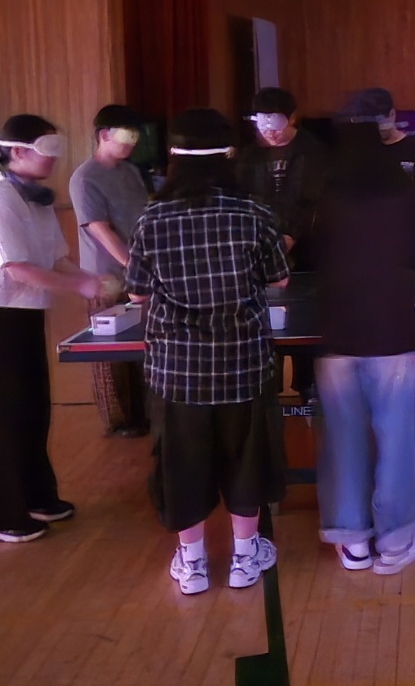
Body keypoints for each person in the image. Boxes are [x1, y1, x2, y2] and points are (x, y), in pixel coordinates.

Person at [125, 109, 290, 596]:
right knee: (245, 458)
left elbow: (136, 291)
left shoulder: (152, 217)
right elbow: (279, 278)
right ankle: (245, 556)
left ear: (173, 157)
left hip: (177, 368)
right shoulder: (252, 212)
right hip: (243, 362)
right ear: (228, 156)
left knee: (182, 462)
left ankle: (193, 562)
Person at [0, 114, 109, 543]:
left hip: (23, 311)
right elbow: (17, 268)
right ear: (18, 152)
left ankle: (36, 497)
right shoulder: (0, 202)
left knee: (32, 408)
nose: (54, 158)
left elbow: (57, 260)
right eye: (47, 149)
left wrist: (93, 281)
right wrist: (81, 286)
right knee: (1, 415)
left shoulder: (37, 201)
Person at [312, 110, 415, 575]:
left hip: (337, 334)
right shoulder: (400, 192)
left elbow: (312, 257)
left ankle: (353, 541)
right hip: (394, 331)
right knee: (397, 441)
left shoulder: (326, 194)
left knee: (343, 441)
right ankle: (396, 540)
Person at [349, 87, 415, 408]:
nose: (378, 125)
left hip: (410, 249)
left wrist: (405, 227)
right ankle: (377, 387)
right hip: (368, 253)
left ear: (393, 115)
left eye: (382, 117)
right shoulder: (360, 154)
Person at [238, 86, 327, 400]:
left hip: (307, 248)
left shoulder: (313, 152)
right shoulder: (249, 156)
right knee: (265, 317)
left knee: (306, 315)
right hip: (259, 249)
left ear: (291, 118)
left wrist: (289, 237)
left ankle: (308, 385)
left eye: (276, 125)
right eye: (263, 126)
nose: (270, 134)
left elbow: (313, 202)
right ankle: (267, 385)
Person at [70, 104, 151, 438]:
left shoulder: (130, 172)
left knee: (141, 345)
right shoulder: (85, 177)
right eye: (125, 135)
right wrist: (132, 265)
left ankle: (145, 412)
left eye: (135, 136)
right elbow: (99, 229)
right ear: (104, 135)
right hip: (107, 276)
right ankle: (119, 421)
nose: (132, 142)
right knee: (111, 354)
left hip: (138, 272)